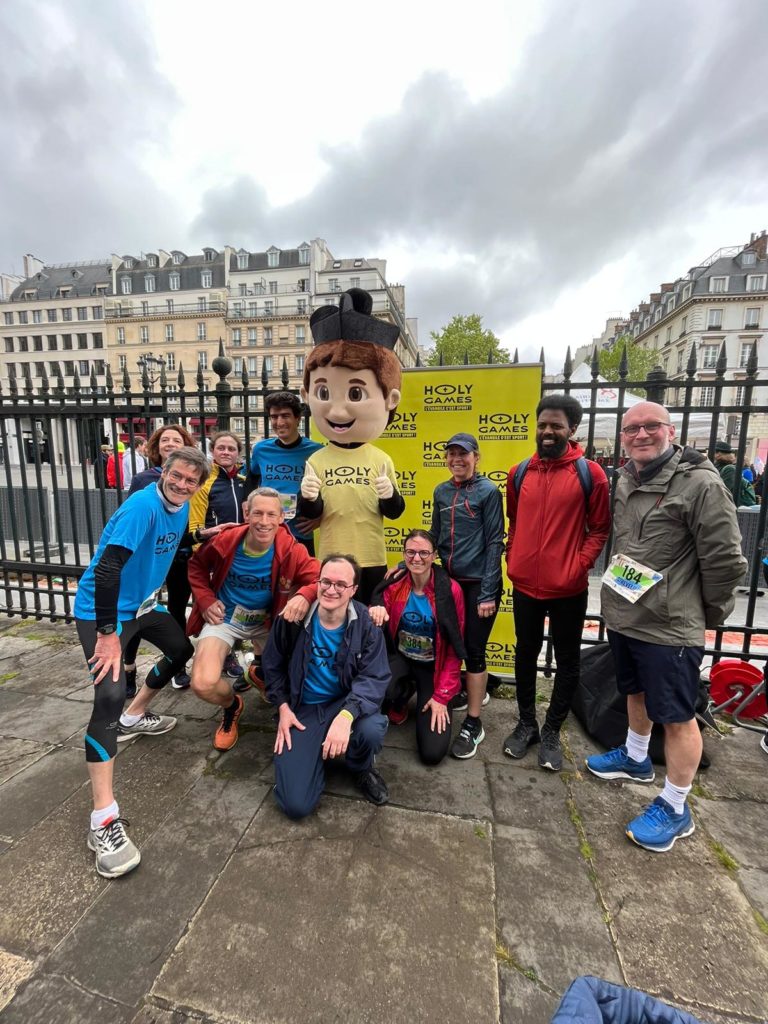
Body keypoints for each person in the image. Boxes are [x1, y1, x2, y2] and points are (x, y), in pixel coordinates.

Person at [586, 402, 747, 852]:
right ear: (622, 437)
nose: (641, 435)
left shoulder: (701, 483)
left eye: (650, 426)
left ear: (670, 431)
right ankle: (636, 758)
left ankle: (676, 806)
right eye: (631, 429)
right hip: (626, 613)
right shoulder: (623, 479)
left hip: (670, 626)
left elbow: (726, 561)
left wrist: (704, 614)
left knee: (677, 716)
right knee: (634, 692)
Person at [73, 446, 210, 878]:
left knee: (182, 650)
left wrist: (210, 534)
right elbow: (108, 569)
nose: (183, 484)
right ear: (162, 472)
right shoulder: (142, 506)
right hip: (103, 611)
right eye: (177, 475)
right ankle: (103, 819)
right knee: (108, 696)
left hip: (144, 607)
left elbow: (177, 542)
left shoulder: (182, 507)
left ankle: (137, 714)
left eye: (192, 480)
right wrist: (109, 635)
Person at [503, 395, 610, 771]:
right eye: (543, 425)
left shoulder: (590, 474)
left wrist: (578, 566)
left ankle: (551, 731)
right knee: (524, 654)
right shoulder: (518, 473)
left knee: (566, 661)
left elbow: (599, 529)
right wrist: (513, 555)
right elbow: (514, 522)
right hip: (525, 587)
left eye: (556, 426)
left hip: (568, 589)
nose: (547, 432)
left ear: (572, 430)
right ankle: (527, 723)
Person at [187, 488, 320, 751]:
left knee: (301, 680)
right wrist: (204, 599)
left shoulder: (293, 550)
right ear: (246, 513)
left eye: (272, 514)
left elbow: (318, 578)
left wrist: (304, 595)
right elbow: (197, 566)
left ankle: (261, 673)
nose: (264, 521)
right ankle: (232, 706)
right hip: (225, 617)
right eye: (257, 513)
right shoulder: (225, 541)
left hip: (268, 621)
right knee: (202, 683)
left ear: (282, 517)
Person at [297, 288, 404, 603]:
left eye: (355, 394)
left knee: (372, 622)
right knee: (333, 621)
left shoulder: (381, 458)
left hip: (372, 555)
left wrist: (391, 496)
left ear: (390, 400)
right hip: (331, 556)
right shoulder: (316, 460)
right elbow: (311, 514)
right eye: (324, 394)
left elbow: (395, 513)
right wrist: (309, 497)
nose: (338, 411)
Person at [263, 553, 390, 818]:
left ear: (354, 590)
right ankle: (312, 756)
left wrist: (346, 715)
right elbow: (272, 666)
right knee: (295, 806)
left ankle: (360, 767)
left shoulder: (366, 624)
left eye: (341, 584)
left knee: (371, 729)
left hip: (344, 703)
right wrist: (283, 708)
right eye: (326, 582)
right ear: (317, 582)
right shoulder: (293, 619)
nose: (331, 590)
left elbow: (374, 678)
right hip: (303, 710)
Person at [430, 433, 505, 760]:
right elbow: (434, 535)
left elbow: (494, 544)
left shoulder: (489, 492)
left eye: (463, 454)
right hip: (450, 582)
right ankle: (467, 690)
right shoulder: (441, 490)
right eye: (451, 454)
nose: (456, 459)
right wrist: (412, 561)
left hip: (478, 584)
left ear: (476, 457)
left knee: (474, 649)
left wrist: (488, 592)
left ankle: (473, 722)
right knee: (448, 643)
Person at [369, 530, 466, 765]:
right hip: (401, 659)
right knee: (377, 690)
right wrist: (376, 607)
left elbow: (454, 650)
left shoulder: (450, 590)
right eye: (410, 552)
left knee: (432, 753)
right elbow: (377, 599)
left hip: (432, 668)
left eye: (423, 553)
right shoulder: (394, 584)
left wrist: (442, 696)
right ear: (404, 554)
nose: (417, 558)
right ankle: (400, 697)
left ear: (434, 556)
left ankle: (431, 695)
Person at [124, 423, 198, 692]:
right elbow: (132, 518)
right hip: (148, 559)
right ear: (156, 446)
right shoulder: (143, 479)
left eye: (176, 440)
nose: (170, 444)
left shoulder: (192, 479)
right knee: (135, 610)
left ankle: (176, 667)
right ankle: (128, 668)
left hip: (178, 555)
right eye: (165, 440)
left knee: (177, 610)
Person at [245, 391, 322, 553]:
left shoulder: (316, 451)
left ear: (297, 418)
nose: (279, 422)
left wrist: (320, 519)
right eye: (274, 417)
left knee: (300, 577)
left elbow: (329, 491)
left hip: (300, 532)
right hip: (267, 529)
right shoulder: (261, 449)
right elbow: (251, 478)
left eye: (285, 416)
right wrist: (246, 504)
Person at [713, 440, 756, 506]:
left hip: (726, 508)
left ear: (718, 454)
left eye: (712, 452)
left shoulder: (729, 469)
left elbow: (724, 492)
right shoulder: (716, 466)